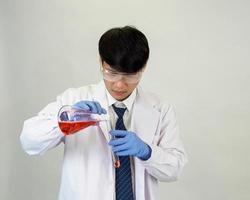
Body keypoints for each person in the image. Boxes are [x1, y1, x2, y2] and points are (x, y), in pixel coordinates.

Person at [20, 26, 187, 200]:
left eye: (130, 75)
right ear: (101, 62)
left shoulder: (160, 109)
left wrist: (147, 151)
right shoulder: (73, 99)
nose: (120, 85)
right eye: (112, 73)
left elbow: (175, 169)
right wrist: (65, 120)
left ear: (143, 68)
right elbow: (29, 141)